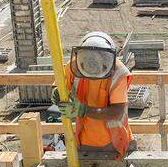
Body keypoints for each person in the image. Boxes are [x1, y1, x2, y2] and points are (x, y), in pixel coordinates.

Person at [56, 31, 135, 160]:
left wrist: (83, 110)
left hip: (113, 142)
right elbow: (59, 85)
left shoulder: (118, 73)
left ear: (107, 58)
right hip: (82, 140)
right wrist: (56, 92)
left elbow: (117, 112)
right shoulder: (76, 65)